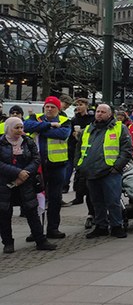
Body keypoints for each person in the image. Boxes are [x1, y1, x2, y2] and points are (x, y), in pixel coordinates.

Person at [0, 117, 57, 253]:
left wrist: (25, 173)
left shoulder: (28, 141)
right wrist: (17, 172)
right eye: (16, 128)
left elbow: (36, 159)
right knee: (4, 214)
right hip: (5, 184)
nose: (20, 130)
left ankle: (40, 240)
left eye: (21, 127)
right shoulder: (1, 143)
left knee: (32, 212)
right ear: (9, 128)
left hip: (26, 182)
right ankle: (8, 243)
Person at [78, 103, 133, 238]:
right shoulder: (88, 129)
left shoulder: (120, 128)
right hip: (92, 171)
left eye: (103, 112)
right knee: (96, 201)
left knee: (113, 201)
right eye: (98, 111)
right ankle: (101, 226)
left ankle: (116, 226)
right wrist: (79, 166)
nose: (99, 114)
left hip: (110, 172)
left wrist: (116, 167)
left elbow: (127, 150)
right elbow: (79, 149)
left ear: (110, 114)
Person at [23, 96, 71, 239]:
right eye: (47, 106)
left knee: (55, 199)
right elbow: (26, 126)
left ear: (58, 109)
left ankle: (53, 228)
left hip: (57, 165)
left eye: (52, 107)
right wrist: (49, 125)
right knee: (36, 199)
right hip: (37, 166)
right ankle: (36, 231)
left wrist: (40, 129)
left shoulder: (65, 121)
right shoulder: (34, 117)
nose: (49, 109)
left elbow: (62, 134)